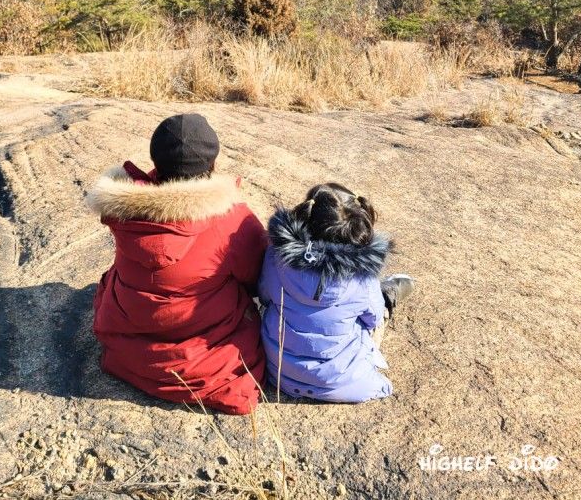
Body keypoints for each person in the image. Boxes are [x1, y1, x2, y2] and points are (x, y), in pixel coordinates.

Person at [87, 113, 268, 415]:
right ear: (212, 164)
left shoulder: (126, 211)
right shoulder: (233, 218)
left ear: (156, 161)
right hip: (203, 363)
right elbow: (256, 278)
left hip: (128, 343)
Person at [258, 182, 414, 403]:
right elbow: (373, 319)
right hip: (340, 382)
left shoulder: (276, 256)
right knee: (373, 313)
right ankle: (389, 294)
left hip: (279, 373)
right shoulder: (362, 276)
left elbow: (264, 295)